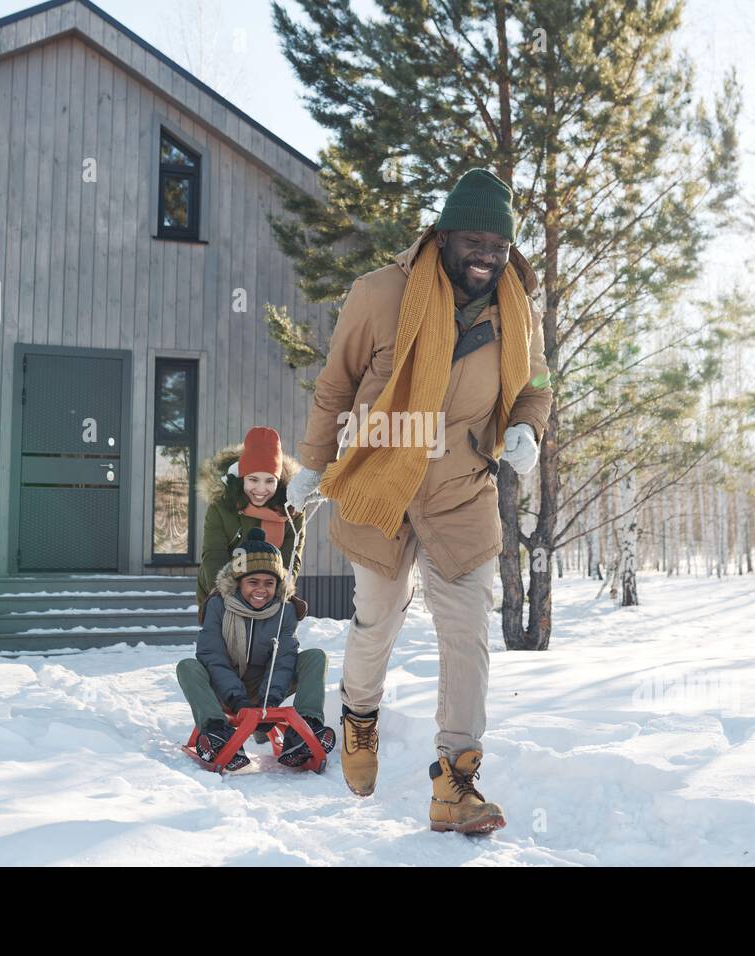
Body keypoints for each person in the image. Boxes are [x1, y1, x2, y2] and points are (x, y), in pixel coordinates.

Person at [287, 168, 551, 833]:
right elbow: (335, 387)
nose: (486, 254)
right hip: (381, 484)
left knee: (466, 633)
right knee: (378, 618)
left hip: (463, 493)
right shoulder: (380, 293)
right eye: (473, 240)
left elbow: (536, 385)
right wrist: (313, 466)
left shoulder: (517, 308)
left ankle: (455, 783)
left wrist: (526, 428)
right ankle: (359, 718)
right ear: (444, 234)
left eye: (498, 242)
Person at [176, 527, 335, 771]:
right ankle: (218, 732)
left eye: (269, 583)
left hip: (268, 686)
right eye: (253, 582)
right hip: (225, 687)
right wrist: (237, 700)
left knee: (315, 657)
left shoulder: (285, 610)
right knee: (188, 667)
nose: (261, 589)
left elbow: (283, 658)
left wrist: (269, 701)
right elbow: (212, 656)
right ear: (238, 583)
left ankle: (305, 729)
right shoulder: (218, 606)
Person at [196, 426, 308, 628]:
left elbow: (291, 559)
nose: (260, 489)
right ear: (242, 478)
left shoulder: (292, 511)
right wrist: (232, 597)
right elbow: (213, 555)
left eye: (269, 481)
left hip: (268, 595)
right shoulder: (221, 507)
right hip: (222, 592)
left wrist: (270, 594)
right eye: (253, 480)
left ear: (279, 480)